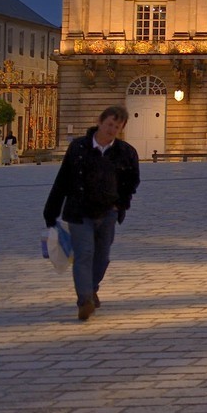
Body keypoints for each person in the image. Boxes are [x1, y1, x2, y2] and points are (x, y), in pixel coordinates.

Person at [42, 106, 141, 322]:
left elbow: (132, 182)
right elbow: (63, 179)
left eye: (117, 127)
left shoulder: (126, 152)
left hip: (108, 212)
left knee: (102, 258)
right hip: (79, 211)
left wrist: (120, 204)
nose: (112, 129)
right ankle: (84, 300)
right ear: (100, 122)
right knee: (84, 255)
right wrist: (51, 211)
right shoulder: (78, 147)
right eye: (109, 124)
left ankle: (92, 287)